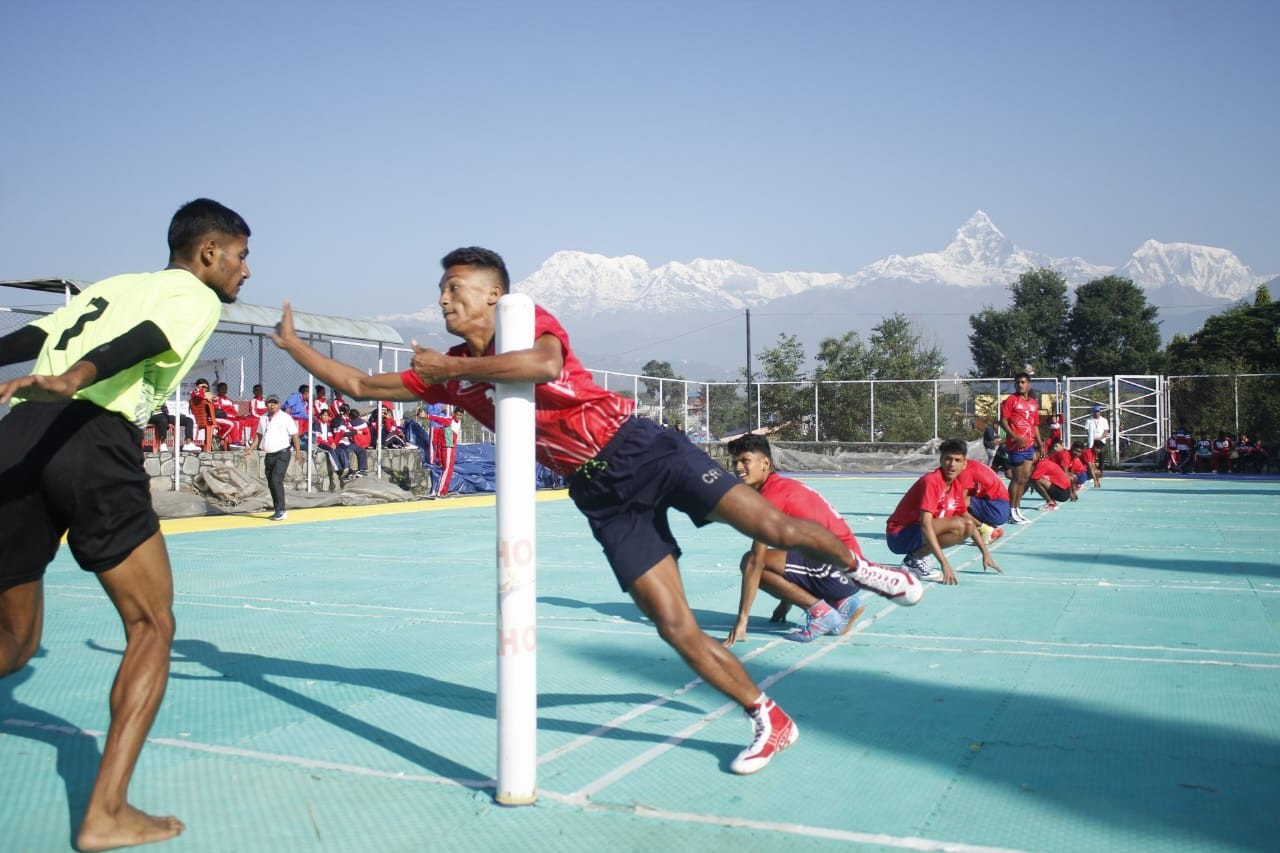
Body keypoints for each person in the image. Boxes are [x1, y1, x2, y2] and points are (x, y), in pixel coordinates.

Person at [268, 245, 923, 776]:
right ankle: (768, 716)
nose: (443, 298)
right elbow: (358, 385)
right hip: (599, 492)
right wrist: (294, 347)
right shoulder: (450, 370)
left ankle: (863, 569)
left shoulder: (527, 321)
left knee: (771, 526)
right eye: (441, 288)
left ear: (494, 294)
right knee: (674, 624)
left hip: (643, 447)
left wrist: (450, 365)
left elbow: (543, 362)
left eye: (454, 287)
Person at [0, 197, 249, 850]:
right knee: (151, 623)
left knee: (15, 644)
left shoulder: (110, 288)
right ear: (207, 254)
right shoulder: (193, 294)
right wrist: (78, 376)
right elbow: (144, 343)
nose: (245, 272)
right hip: (88, 432)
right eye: (241, 256)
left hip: (17, 436)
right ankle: (105, 810)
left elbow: (37, 337)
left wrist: (51, 368)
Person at [723, 434, 868, 644]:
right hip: (849, 570)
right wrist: (786, 602)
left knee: (750, 562)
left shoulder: (771, 497)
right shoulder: (783, 486)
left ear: (765, 463)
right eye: (735, 461)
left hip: (838, 568)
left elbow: (756, 560)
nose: (738, 467)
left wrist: (742, 620)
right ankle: (842, 602)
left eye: (745, 460)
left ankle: (822, 613)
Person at [885, 438, 1002, 585]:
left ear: (964, 463)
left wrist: (985, 553)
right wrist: (944, 564)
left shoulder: (956, 485)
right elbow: (925, 525)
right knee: (959, 524)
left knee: (967, 526)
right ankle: (913, 561)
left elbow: (968, 521)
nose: (952, 464)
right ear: (941, 460)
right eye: (948, 459)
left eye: (957, 460)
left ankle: (915, 559)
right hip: (899, 536)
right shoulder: (931, 482)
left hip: (916, 534)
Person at [244, 395, 301, 520]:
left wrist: (298, 452)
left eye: (274, 403)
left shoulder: (285, 418)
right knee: (271, 482)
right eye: (270, 403)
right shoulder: (263, 418)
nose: (272, 405)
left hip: (282, 453)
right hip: (269, 455)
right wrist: (251, 449)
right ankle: (277, 509)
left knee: (276, 480)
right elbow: (259, 435)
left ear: (279, 405)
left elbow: (294, 435)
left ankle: (282, 509)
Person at [1000, 371, 1042, 524]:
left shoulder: (1033, 403)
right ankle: (1011, 510)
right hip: (1016, 446)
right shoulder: (1011, 400)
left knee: (1025, 478)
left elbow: (1035, 424)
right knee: (1017, 479)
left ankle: (1017, 508)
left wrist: (1040, 442)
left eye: (1023, 382)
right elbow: (1003, 421)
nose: (1020, 385)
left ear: (1029, 384)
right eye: (1017, 382)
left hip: (1030, 445)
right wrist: (1014, 436)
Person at [955, 452, 1011, 544]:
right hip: (1002, 506)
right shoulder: (971, 464)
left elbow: (961, 501)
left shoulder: (965, 471)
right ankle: (993, 530)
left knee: (958, 504)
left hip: (996, 508)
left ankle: (985, 530)